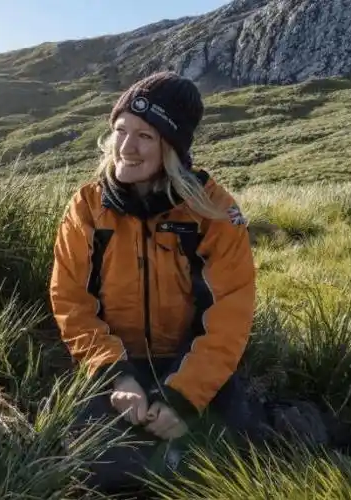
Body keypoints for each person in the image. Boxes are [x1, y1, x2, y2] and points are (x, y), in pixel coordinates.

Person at [49, 70, 267, 493]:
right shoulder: (87, 207)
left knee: (232, 461)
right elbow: (70, 300)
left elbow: (230, 314)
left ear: (173, 147)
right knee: (100, 473)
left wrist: (184, 396)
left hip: (190, 360)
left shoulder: (215, 211)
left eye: (146, 136)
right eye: (120, 131)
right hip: (115, 361)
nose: (126, 148)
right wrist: (115, 374)